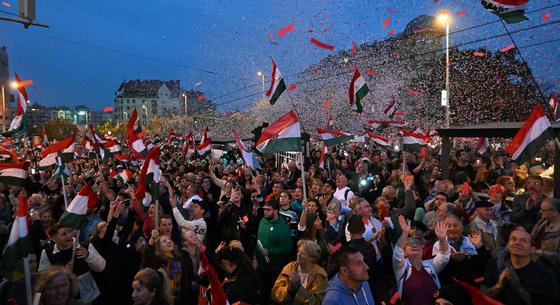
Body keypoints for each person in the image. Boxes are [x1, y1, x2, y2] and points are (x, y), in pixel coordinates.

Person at [482, 226, 559, 305]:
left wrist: (518, 287)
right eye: (513, 239)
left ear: (532, 249)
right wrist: (498, 286)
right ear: (508, 245)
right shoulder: (494, 264)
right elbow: (482, 297)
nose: (517, 243)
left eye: (523, 241)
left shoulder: (545, 274)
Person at [38, 224, 106, 303]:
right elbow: (43, 277)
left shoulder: (84, 246)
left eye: (70, 231)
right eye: (64, 234)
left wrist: (88, 255)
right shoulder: (47, 253)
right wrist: (64, 273)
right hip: (63, 299)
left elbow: (101, 267)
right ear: (54, 238)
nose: (69, 236)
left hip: (90, 296)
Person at [393, 215, 449, 305]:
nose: (414, 245)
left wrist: (442, 239)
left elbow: (444, 257)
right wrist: (405, 233)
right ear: (404, 253)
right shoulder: (402, 268)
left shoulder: (430, 266)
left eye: (417, 244)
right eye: (410, 244)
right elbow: (397, 253)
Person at [255, 199, 292, 305]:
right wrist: (255, 257)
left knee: (273, 295)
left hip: (274, 269)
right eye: (264, 209)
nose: (265, 212)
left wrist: (270, 252)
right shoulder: (262, 221)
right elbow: (258, 241)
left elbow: (287, 247)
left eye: (268, 210)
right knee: (262, 292)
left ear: (276, 211)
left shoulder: (283, 226)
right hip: (260, 266)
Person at [272, 240, 328, 305]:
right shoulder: (290, 267)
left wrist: (298, 287)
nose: (298, 254)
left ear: (312, 258)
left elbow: (316, 302)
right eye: (298, 252)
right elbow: (274, 293)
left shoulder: (320, 276)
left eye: (303, 253)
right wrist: (289, 290)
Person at [531, 197, 560, 279]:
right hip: (534, 262)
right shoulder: (541, 223)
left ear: (555, 213)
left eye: (544, 210)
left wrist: (543, 253)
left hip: (551, 271)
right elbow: (532, 238)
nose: (540, 212)